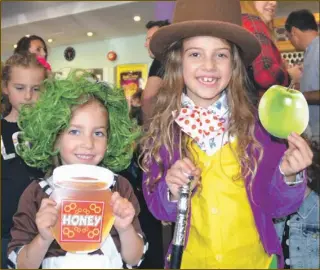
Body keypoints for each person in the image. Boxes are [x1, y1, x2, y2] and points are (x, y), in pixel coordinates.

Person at [139, 0, 313, 268]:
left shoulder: (260, 128)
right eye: (195, 54)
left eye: (220, 55)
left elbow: (278, 207)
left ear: (234, 64)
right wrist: (172, 191)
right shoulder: (164, 132)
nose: (209, 65)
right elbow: (159, 208)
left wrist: (289, 175)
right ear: (178, 62)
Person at [7, 72, 148, 269]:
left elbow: (134, 258)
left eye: (98, 133)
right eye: (74, 131)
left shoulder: (119, 189)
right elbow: (21, 264)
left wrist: (125, 229)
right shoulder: (37, 194)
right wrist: (44, 238)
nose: (88, 143)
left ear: (110, 139)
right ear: (54, 137)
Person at [1, 53, 47, 269]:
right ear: (5, 87)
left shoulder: (51, 131)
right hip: (4, 234)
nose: (28, 96)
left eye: (36, 88)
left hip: (44, 232)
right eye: (20, 88)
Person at [241, 1, 302, 100]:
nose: (274, 3)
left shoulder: (240, 23)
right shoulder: (254, 22)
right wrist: (291, 75)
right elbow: (265, 75)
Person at [285, 9, 320, 146]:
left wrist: (297, 95)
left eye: (288, 37)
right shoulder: (310, 51)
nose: (291, 42)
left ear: (293, 31)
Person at [142, 20, 170, 120]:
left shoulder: (159, 60)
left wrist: (147, 128)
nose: (145, 44)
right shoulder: (174, 60)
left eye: (149, 39)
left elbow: (148, 98)